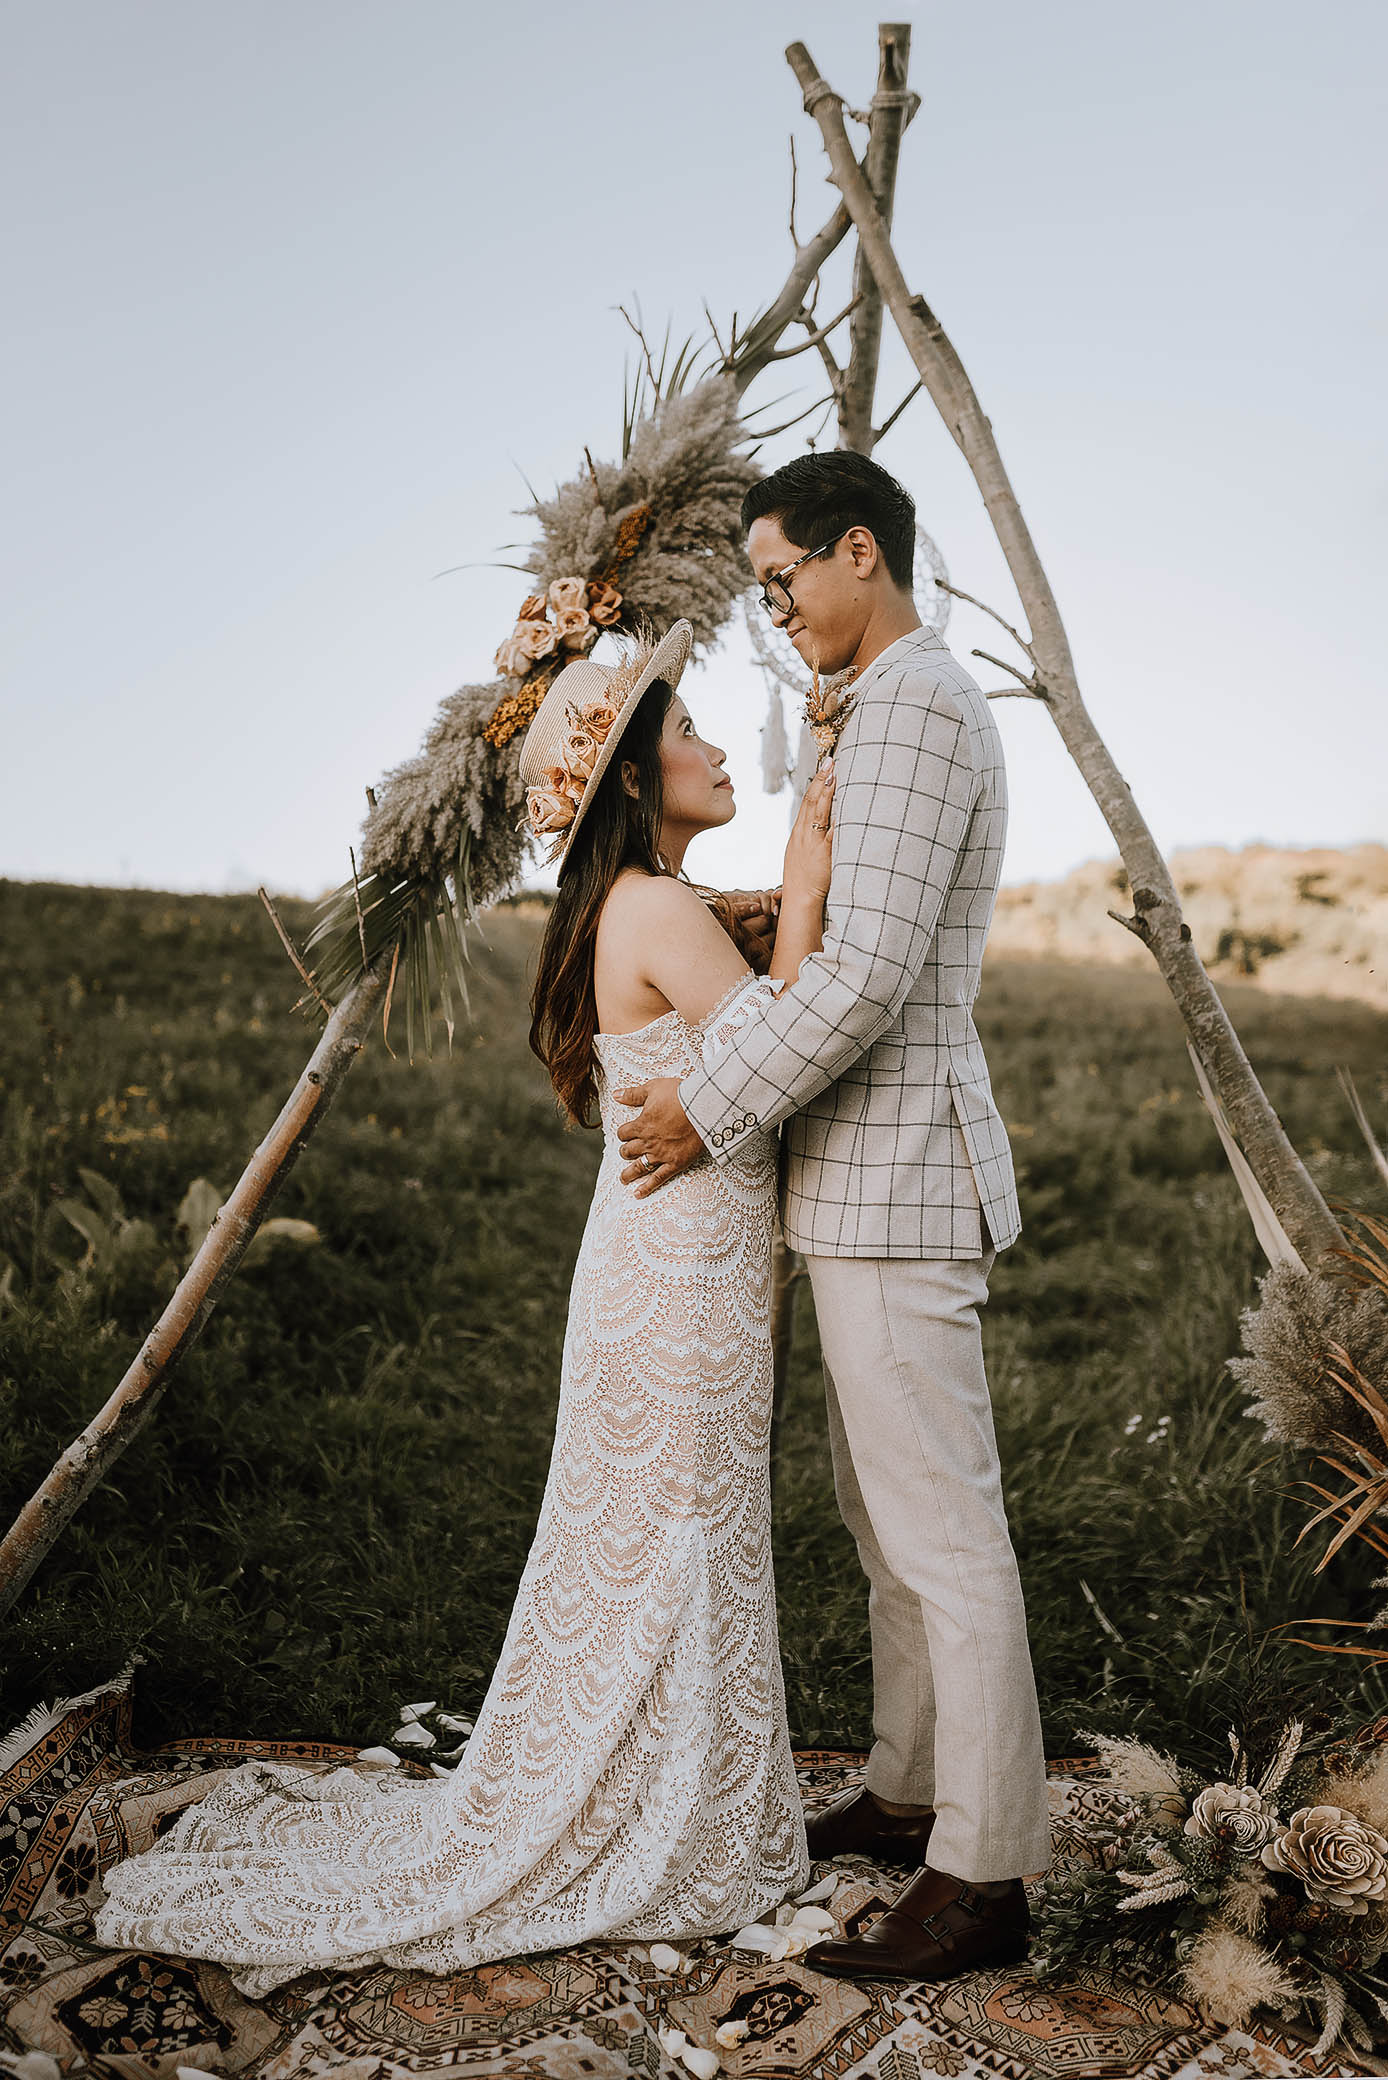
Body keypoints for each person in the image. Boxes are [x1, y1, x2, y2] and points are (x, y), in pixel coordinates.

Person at [93, 621, 834, 1995]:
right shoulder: (655, 907)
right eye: (687, 735)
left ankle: (673, 1799)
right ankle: (664, 1824)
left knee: (677, 1525)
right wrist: (805, 874)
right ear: (628, 780)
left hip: (671, 1257)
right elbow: (780, 1053)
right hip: (676, 1274)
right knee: (679, 1525)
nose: (722, 748)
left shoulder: (645, 902)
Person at [616, 452, 1050, 1981]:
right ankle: (910, 1783)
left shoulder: (921, 706)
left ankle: (985, 1874)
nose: (774, 605)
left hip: (899, 1179)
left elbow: (863, 978)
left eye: (784, 574)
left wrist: (710, 1103)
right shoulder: (873, 708)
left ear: (860, 551)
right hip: (859, 1178)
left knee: (943, 1529)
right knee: (889, 1523)